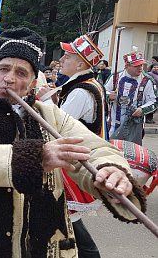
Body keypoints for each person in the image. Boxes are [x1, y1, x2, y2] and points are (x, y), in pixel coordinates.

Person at [0, 27, 145, 258]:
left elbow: (94, 148)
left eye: (21, 73)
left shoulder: (53, 116)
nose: (9, 78)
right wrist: (36, 157)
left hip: (48, 247)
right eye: (3, 69)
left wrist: (110, 169)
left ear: (32, 82)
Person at [57, 34, 108, 257]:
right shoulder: (87, 84)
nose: (61, 59)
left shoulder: (80, 92)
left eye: (67, 56)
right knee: (63, 218)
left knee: (69, 217)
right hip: (76, 158)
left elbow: (57, 125)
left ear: (80, 63)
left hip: (72, 162)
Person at [105, 50, 157, 145]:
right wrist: (109, 95)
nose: (140, 68)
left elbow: (154, 101)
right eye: (136, 66)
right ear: (127, 66)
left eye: (141, 65)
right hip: (113, 124)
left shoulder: (147, 80)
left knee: (132, 153)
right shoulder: (115, 77)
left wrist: (142, 109)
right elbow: (102, 92)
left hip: (135, 126)